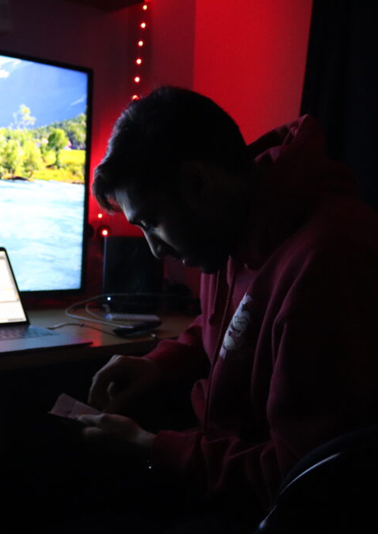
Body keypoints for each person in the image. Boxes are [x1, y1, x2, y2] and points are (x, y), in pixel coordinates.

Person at [77, 86, 378, 529]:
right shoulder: (231, 230)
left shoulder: (329, 259)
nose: (155, 251)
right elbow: (225, 327)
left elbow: (300, 481)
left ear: (197, 184)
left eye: (150, 223)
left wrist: (149, 447)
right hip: (214, 472)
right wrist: (160, 364)